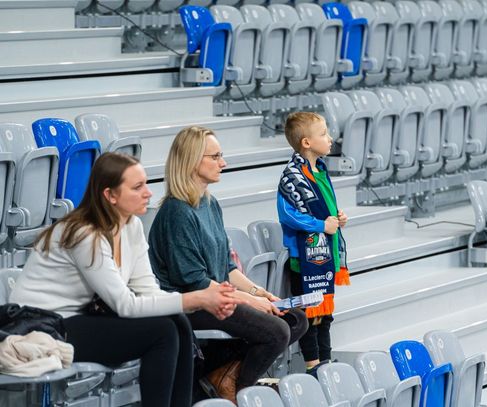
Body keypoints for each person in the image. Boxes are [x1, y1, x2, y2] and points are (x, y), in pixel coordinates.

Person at [9, 152, 241, 407]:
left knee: (177, 321)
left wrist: (202, 301)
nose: (148, 193)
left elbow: (148, 291)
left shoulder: (132, 226)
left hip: (77, 317)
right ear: (110, 195)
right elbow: (125, 305)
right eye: (137, 187)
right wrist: (198, 299)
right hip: (43, 324)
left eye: (146, 184)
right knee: (162, 332)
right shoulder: (84, 233)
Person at [148, 126, 308, 404]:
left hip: (216, 296)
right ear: (192, 160)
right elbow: (194, 282)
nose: (223, 163)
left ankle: (222, 379)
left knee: (295, 319)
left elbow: (226, 267)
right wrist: (250, 301)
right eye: (215, 156)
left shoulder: (210, 204)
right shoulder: (176, 212)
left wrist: (259, 293)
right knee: (277, 331)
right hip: (191, 303)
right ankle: (241, 393)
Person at [277, 111, 350, 377]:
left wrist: (337, 216)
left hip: (326, 253)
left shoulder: (320, 170)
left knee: (326, 314)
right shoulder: (292, 176)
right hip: (305, 258)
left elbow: (325, 206)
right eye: (323, 134)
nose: (330, 138)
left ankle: (326, 363)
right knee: (310, 314)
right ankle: (313, 366)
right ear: (306, 142)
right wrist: (321, 226)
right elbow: (289, 214)